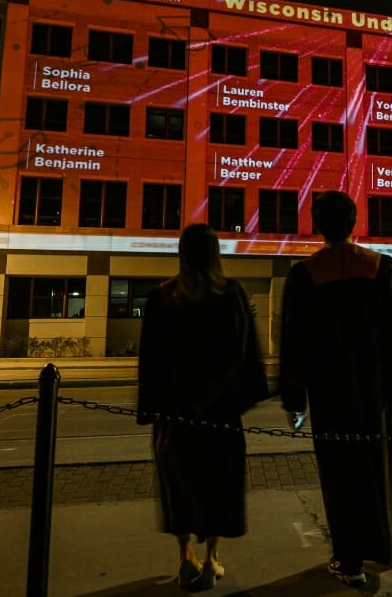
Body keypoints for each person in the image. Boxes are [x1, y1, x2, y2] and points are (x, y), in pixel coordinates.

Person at [278, 190, 392, 586]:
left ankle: (350, 560)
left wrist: (295, 397)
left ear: (317, 225)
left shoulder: (303, 275)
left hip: (330, 395)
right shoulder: (380, 267)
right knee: (386, 465)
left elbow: (294, 342)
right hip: (373, 389)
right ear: (354, 222)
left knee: (340, 475)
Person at [136, 223, 269, 591]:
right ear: (215, 254)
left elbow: (149, 360)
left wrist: (150, 406)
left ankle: (183, 559)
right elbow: (246, 354)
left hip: (174, 410)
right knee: (219, 485)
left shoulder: (162, 297)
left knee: (179, 486)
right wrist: (246, 395)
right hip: (220, 413)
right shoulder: (230, 294)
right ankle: (211, 561)